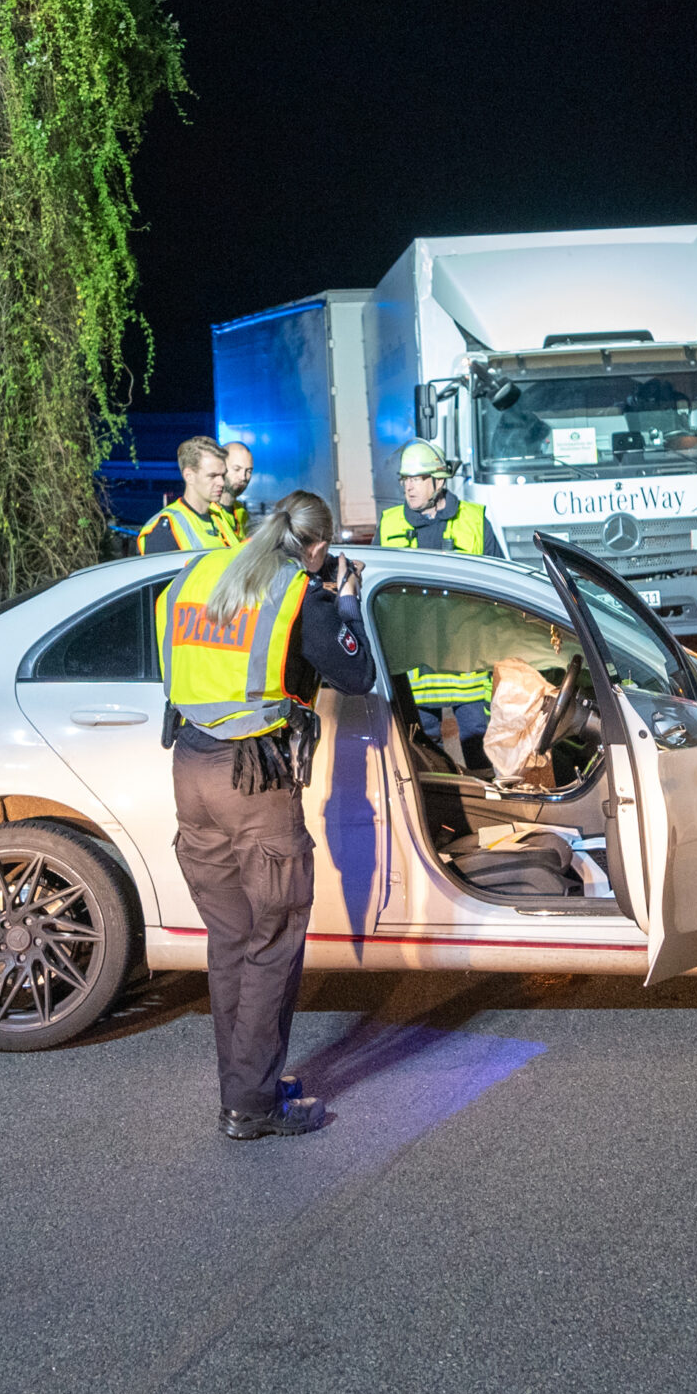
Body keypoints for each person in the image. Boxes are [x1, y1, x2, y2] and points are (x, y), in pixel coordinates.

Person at [156, 489, 375, 1139]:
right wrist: (347, 600)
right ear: (315, 548)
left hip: (191, 771)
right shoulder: (297, 595)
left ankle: (245, 1085)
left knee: (232, 940)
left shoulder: (196, 573)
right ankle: (251, 1107)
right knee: (272, 942)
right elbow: (354, 672)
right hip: (254, 782)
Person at [377, 439, 500, 762]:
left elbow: (500, 588)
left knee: (480, 748)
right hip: (416, 672)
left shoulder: (474, 521)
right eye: (405, 480)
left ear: (439, 481)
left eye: (416, 479)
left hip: (468, 670)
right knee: (425, 757)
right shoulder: (389, 525)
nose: (408, 487)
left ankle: (487, 810)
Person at [138, 436, 240, 556]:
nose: (221, 483)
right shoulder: (166, 528)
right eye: (212, 476)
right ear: (189, 476)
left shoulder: (220, 517)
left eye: (223, 475)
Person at [216, 441, 257, 541]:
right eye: (236, 469)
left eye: (249, 471)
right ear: (220, 467)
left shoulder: (241, 513)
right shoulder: (206, 511)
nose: (243, 477)